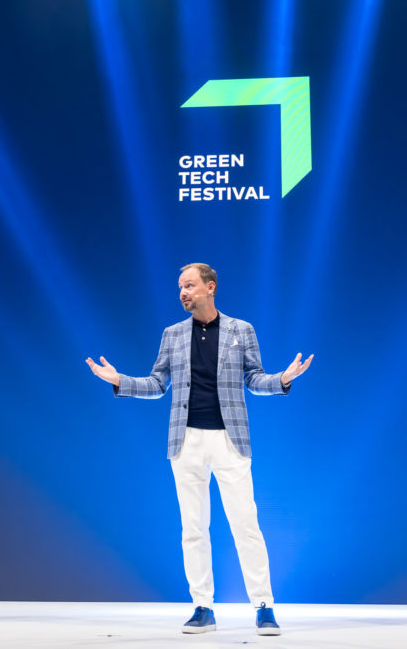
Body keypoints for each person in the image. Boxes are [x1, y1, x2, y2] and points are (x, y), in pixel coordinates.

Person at [86, 263, 312, 636]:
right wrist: (120, 381)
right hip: (186, 440)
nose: (183, 292)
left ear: (210, 287)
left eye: (189, 285)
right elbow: (158, 384)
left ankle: (264, 606)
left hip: (229, 439)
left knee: (245, 524)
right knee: (193, 527)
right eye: (180, 287)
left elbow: (254, 378)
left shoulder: (241, 330)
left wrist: (282, 379)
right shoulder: (172, 334)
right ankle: (202, 607)